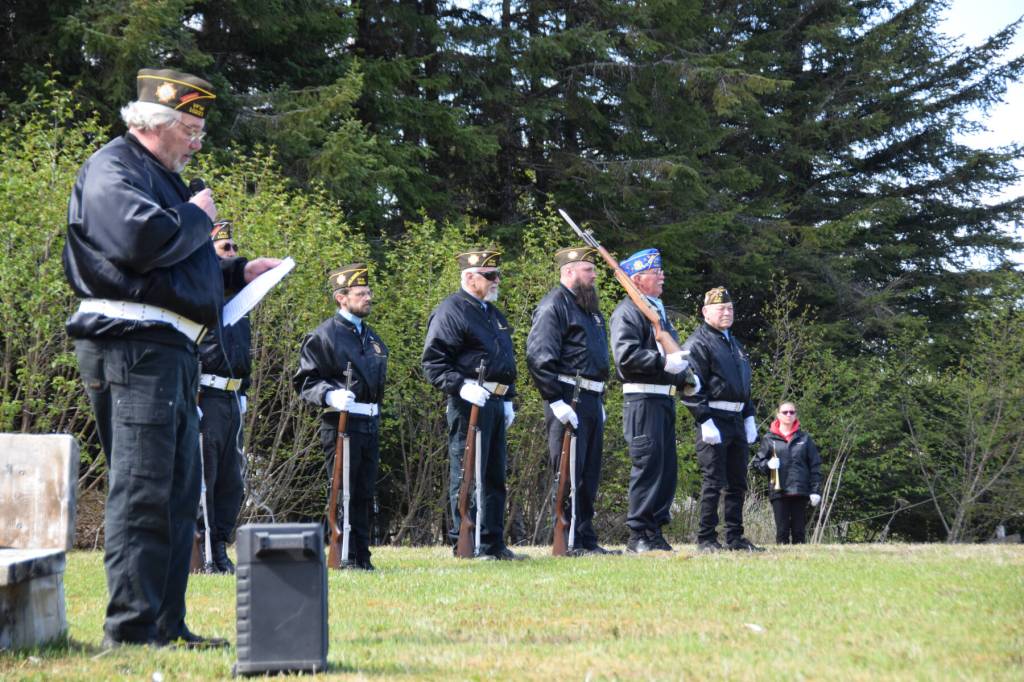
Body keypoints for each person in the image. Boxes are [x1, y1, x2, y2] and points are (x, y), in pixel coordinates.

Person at [63, 68, 280, 648]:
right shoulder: (113, 168)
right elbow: (139, 243)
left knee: (179, 491)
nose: (197, 141)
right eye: (190, 129)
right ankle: (130, 631)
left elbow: (175, 268)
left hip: (171, 351)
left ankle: (164, 623)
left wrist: (234, 274)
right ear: (154, 125)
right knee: (142, 489)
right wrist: (197, 215)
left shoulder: (161, 179)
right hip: (131, 347)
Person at [421, 249, 524, 560]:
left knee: (494, 475)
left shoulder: (492, 313)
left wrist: (508, 399)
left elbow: (506, 360)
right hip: (470, 402)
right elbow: (434, 363)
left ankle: (493, 542)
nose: (497, 280)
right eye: (490, 275)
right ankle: (466, 540)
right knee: (468, 474)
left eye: (496, 274)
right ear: (469, 277)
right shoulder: (451, 311)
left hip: (493, 401)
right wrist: (461, 386)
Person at [293, 263, 388, 571]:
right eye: (360, 293)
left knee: (363, 491)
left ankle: (361, 553)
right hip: (341, 424)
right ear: (341, 298)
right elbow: (305, 381)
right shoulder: (324, 336)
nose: (368, 297)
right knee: (343, 490)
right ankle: (343, 552)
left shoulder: (371, 337)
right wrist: (329, 394)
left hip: (369, 423)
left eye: (369, 292)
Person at [526, 246, 615, 556]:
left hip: (590, 396)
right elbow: (539, 357)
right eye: (588, 270)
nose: (593, 275)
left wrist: (599, 398)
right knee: (569, 471)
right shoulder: (555, 305)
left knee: (589, 472)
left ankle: (585, 537)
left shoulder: (589, 309)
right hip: (568, 397)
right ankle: (569, 540)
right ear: (568, 272)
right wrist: (555, 400)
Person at [609, 249, 695, 553]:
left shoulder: (656, 312)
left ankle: (655, 530)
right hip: (642, 400)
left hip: (662, 400)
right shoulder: (628, 312)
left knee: (665, 469)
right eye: (654, 271)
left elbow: (674, 357)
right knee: (646, 467)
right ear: (637, 279)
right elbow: (626, 357)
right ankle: (639, 535)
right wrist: (662, 363)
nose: (662, 276)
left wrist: (685, 377)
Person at [681, 287, 763, 552]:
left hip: (736, 417)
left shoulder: (735, 344)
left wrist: (749, 415)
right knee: (713, 481)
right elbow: (690, 386)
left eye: (729, 308)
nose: (727, 313)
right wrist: (704, 419)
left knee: (738, 482)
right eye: (720, 309)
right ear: (706, 312)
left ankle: (735, 537)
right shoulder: (699, 343)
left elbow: (743, 385)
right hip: (714, 417)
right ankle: (706, 538)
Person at [195, 220, 251, 574]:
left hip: (232, 398)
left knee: (232, 480)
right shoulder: (199, 297)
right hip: (206, 395)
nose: (233, 254)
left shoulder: (237, 300)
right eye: (225, 249)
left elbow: (244, 353)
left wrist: (243, 391)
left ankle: (219, 545)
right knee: (207, 477)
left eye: (233, 248)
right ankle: (203, 551)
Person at [752, 401, 823, 544]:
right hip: (778, 490)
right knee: (782, 532)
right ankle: (781, 562)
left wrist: (815, 490)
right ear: (778, 415)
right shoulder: (769, 438)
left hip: (800, 491)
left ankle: (801, 562)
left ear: (796, 415)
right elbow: (756, 463)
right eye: (785, 412)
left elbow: (815, 465)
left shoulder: (805, 439)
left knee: (799, 532)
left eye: (792, 412)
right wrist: (768, 465)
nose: (789, 415)